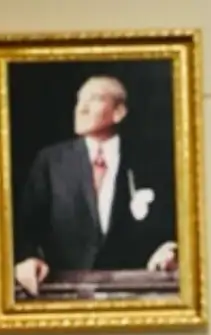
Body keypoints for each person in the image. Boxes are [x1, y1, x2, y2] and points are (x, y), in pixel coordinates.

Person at [12, 74, 177, 298]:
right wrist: (28, 258)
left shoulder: (148, 161)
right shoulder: (51, 161)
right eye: (79, 100)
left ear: (119, 112)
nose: (81, 108)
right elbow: (27, 227)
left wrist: (170, 248)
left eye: (94, 99)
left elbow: (171, 223)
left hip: (134, 291)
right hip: (64, 292)